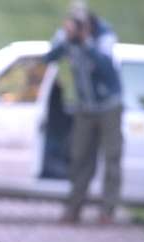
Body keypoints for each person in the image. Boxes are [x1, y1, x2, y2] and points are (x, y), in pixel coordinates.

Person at [43, 2, 123, 224]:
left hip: (109, 106)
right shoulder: (67, 36)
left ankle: (107, 211)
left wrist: (87, 42)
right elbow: (48, 58)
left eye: (81, 23)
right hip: (85, 108)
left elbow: (107, 68)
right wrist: (66, 41)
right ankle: (73, 208)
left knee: (111, 158)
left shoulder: (104, 35)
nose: (77, 26)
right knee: (79, 158)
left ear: (89, 22)